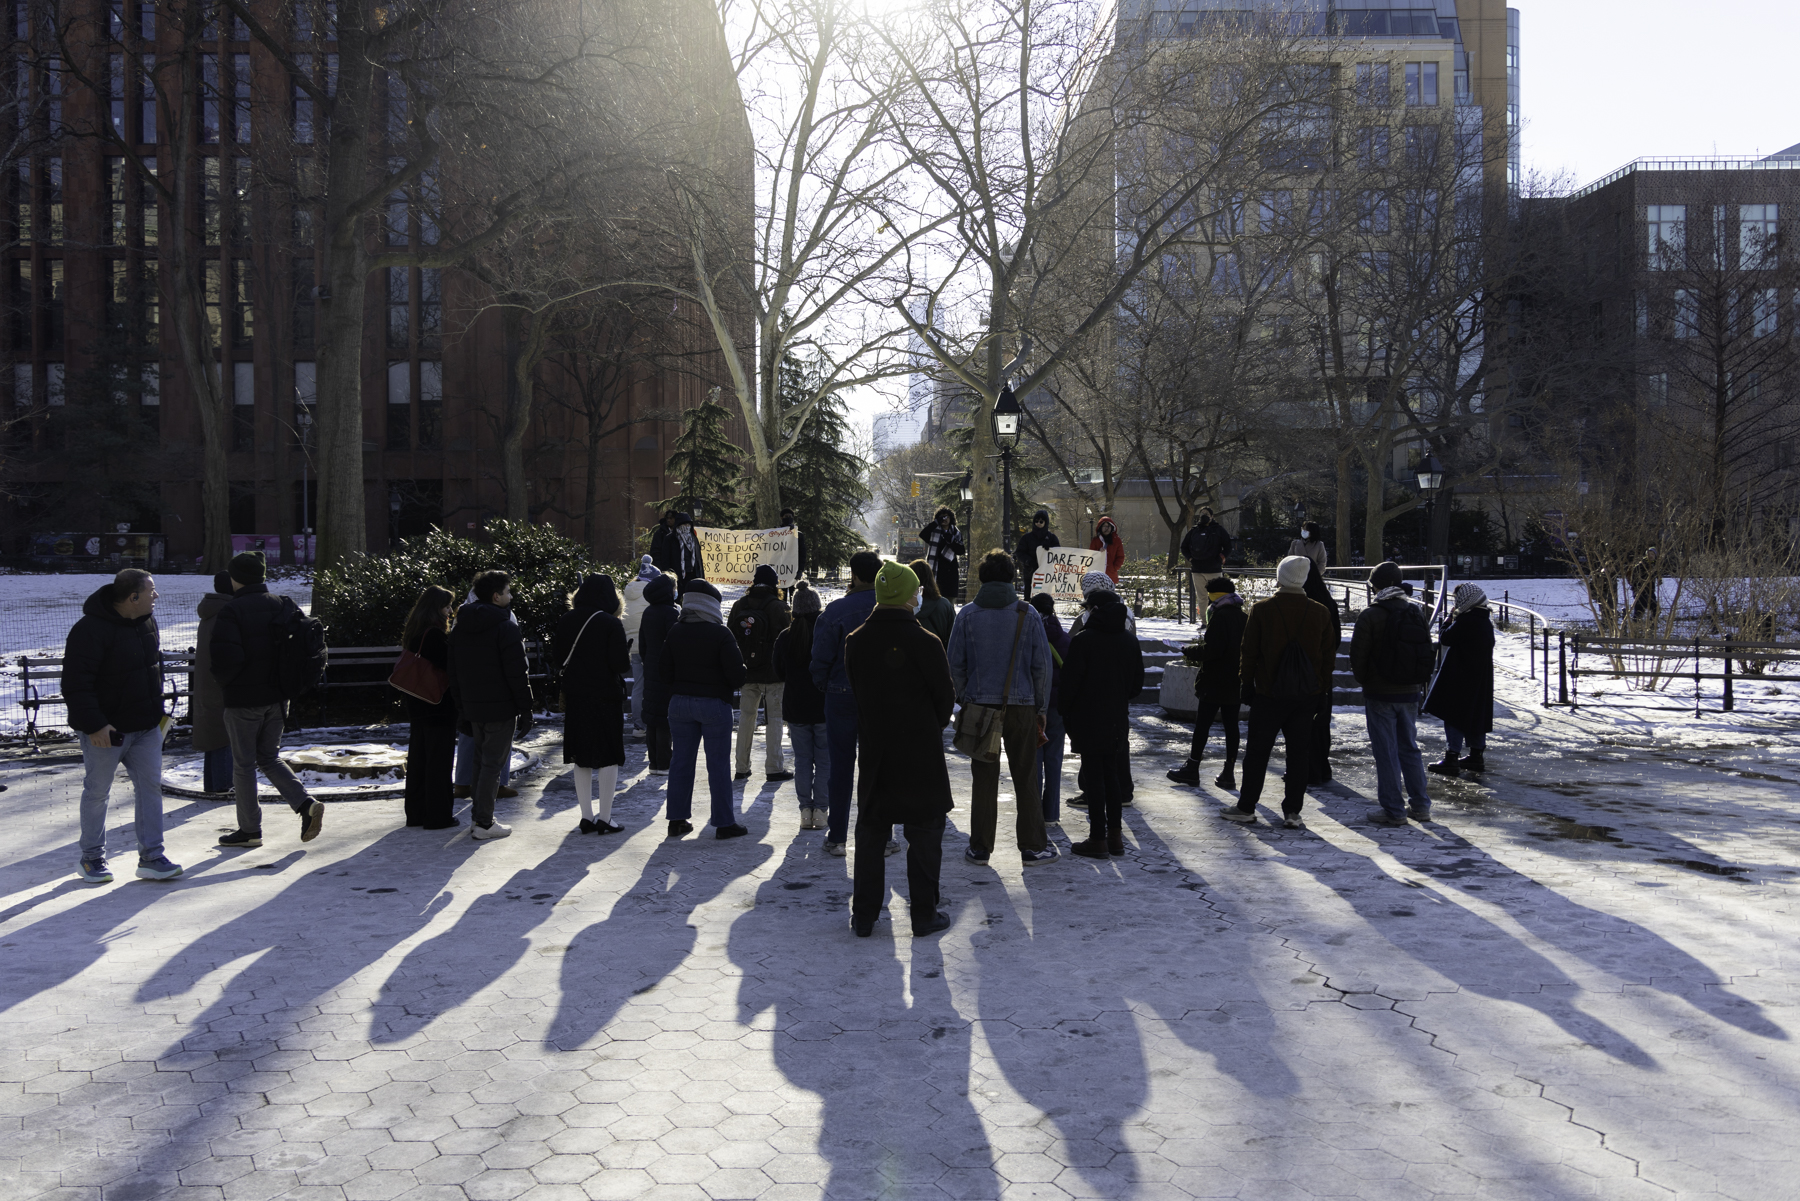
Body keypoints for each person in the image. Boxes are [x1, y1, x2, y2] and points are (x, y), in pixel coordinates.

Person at [844, 562, 956, 938]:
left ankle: (864, 915)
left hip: (877, 751)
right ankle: (924, 914)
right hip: (920, 753)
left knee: (872, 833)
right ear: (911, 596)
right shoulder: (927, 642)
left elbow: (858, 693)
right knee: (925, 835)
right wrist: (923, 726)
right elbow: (945, 700)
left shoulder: (856, 641)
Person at [63, 568, 182, 883]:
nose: (156, 596)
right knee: (98, 792)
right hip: (106, 732)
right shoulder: (89, 630)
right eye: (151, 590)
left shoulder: (147, 622)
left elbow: (151, 672)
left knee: (150, 789)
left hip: (146, 727)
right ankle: (91, 859)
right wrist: (94, 725)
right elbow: (76, 685)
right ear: (133, 597)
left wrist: (158, 718)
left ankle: (152, 857)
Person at [946, 550, 1060, 868]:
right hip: (1023, 707)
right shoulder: (1028, 613)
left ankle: (981, 847)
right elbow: (1041, 667)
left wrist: (968, 696)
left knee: (984, 778)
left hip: (981, 707)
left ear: (982, 578)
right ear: (1012, 578)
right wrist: (1041, 707)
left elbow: (954, 664)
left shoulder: (967, 614)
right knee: (1026, 776)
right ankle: (1033, 846)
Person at [212, 551, 325, 849]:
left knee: (244, 764)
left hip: (244, 701)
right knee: (270, 757)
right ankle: (305, 804)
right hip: (279, 699)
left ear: (235, 578)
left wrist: (226, 685)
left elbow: (225, 660)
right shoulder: (284, 604)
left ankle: (250, 830)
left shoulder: (231, 611)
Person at [1222, 555, 1336, 830]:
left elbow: (1248, 652)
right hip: (1306, 695)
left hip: (1269, 693)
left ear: (1280, 577)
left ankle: (1247, 806)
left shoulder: (1263, 610)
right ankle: (1293, 811)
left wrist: (1246, 685)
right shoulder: (1321, 612)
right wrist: (1321, 692)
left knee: (1258, 752)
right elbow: (1327, 658)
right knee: (1299, 754)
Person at [447, 569, 533, 841]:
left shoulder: (461, 626)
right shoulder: (506, 626)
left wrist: (461, 706)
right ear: (496, 597)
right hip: (500, 707)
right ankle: (483, 822)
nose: (511, 596)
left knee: (479, 761)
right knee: (492, 766)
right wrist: (526, 708)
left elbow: (454, 671)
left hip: (474, 705)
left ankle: (478, 818)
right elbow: (517, 672)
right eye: (508, 592)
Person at [1059, 583, 1144, 858]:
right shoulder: (1129, 640)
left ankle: (1097, 839)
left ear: (1094, 610)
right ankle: (1115, 837)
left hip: (1088, 717)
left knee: (1095, 778)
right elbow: (1137, 686)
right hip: (1117, 718)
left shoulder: (1084, 640)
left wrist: (1066, 711)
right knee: (1113, 776)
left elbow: (1069, 684)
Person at [1350, 561, 1436, 825]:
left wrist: (1368, 683)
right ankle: (1421, 806)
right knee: (1409, 748)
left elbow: (1358, 657)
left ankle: (1393, 810)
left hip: (1380, 694)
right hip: (1410, 692)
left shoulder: (1371, 614)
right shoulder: (1414, 611)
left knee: (1385, 752)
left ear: (1375, 585)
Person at [662, 579, 749, 839]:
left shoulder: (675, 631)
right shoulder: (720, 634)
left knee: (680, 763)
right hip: (713, 705)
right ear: (712, 605)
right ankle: (723, 823)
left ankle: (676, 821)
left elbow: (662, 672)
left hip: (679, 704)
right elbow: (736, 676)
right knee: (718, 765)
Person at [811, 551, 884, 856]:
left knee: (840, 767)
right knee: (877, 766)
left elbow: (819, 659)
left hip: (840, 695)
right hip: (880, 697)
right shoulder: (891, 610)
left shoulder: (836, 611)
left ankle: (837, 836)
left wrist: (825, 685)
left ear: (853, 575)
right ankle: (882, 835)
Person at [556, 574, 631, 834]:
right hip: (605, 696)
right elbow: (620, 664)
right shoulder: (610, 623)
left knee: (581, 756)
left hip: (576, 695)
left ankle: (586, 816)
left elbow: (557, 657)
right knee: (609, 755)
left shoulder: (566, 620)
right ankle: (606, 817)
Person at [1166, 575, 1245, 791]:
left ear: (1214, 597)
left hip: (1215, 681)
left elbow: (1212, 651)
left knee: (1203, 725)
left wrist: (1188, 650)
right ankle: (1228, 772)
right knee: (1231, 726)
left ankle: (1192, 768)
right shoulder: (1242, 615)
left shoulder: (1220, 616)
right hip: (1235, 680)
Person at [400, 585, 459, 830]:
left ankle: (416, 813)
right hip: (437, 706)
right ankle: (438, 815)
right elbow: (450, 665)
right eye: (447, 607)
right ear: (436, 608)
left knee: (418, 760)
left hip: (418, 703)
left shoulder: (415, 631)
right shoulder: (434, 635)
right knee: (438, 761)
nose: (450, 612)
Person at [728, 564, 792, 781]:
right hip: (773, 675)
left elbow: (731, 637)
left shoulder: (739, 605)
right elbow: (788, 641)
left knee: (746, 718)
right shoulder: (779, 607)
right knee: (774, 718)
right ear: (775, 584)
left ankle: (741, 767)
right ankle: (774, 768)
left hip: (747, 672)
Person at [1425, 583, 1495, 778]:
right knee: (1476, 714)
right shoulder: (1485, 621)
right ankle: (1476, 754)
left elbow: (1445, 638)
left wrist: (1448, 620)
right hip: (1480, 678)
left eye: (1457, 600)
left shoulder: (1466, 620)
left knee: (1453, 714)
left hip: (1460, 677)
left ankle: (1452, 756)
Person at [775, 582, 829, 830]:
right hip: (823, 708)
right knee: (825, 761)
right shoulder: (825, 635)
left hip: (795, 708)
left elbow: (778, 671)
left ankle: (805, 810)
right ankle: (821, 810)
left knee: (803, 760)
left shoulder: (785, 637)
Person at [1028, 592, 1071, 826]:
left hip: (1033, 707)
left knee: (1034, 760)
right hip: (1057, 708)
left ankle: (1034, 811)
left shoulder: (1028, 637)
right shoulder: (1064, 640)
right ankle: (1052, 814)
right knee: (1054, 760)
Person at [191, 572, 234, 795]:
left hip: (208, 684)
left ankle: (214, 785)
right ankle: (223, 786)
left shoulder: (210, 612)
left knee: (213, 736)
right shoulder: (226, 614)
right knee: (224, 735)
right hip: (221, 685)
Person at [1302, 560, 1343, 784]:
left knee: (1303, 725)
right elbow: (1334, 640)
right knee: (1321, 723)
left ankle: (1307, 768)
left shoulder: (1304, 604)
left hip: (1302, 673)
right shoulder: (1328, 602)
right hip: (1322, 672)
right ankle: (1322, 767)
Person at [638, 571, 681, 773]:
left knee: (652, 716)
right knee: (664, 717)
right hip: (666, 671)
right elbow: (675, 643)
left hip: (651, 668)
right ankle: (664, 762)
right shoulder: (670, 613)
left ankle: (654, 761)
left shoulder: (648, 612)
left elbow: (643, 644)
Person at [623, 554, 658, 734]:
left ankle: (638, 725)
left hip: (632, 645)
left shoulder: (628, 592)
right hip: (649, 644)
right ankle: (652, 722)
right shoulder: (651, 594)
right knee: (653, 685)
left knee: (638, 685)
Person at [1181, 509, 1235, 616]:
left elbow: (1228, 547)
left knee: (1217, 596)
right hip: (1197, 570)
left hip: (1213, 569)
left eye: (1206, 514)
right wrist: (1190, 559)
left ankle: (1216, 619)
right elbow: (1184, 547)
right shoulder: (1194, 531)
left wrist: (1220, 559)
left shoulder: (1218, 530)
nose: (1203, 516)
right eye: (1201, 514)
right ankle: (1204, 621)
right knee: (1202, 597)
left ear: (1212, 516)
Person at [919, 509, 965, 602]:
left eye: (947, 516)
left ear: (951, 518)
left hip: (950, 571)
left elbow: (961, 550)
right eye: (942, 516)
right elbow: (923, 534)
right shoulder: (933, 532)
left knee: (949, 600)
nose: (945, 519)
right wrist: (936, 523)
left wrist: (951, 540)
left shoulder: (955, 533)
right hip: (936, 570)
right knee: (934, 597)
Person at [911, 557, 956, 647]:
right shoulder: (944, 605)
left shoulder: (905, 606)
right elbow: (954, 637)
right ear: (931, 578)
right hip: (939, 656)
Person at [1014, 510, 1059, 586]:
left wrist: (1050, 549)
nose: (1038, 523)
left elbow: (1058, 553)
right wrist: (1029, 561)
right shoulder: (1026, 538)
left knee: (1043, 593)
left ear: (1045, 522)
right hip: (1030, 571)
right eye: (1036, 521)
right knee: (1031, 593)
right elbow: (1019, 552)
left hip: (1046, 573)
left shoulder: (1052, 538)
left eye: (1041, 522)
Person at [1088, 515, 1125, 584]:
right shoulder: (1095, 541)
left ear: (1112, 527)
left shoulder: (1116, 540)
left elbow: (1120, 556)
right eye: (1104, 526)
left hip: (1111, 576)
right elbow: (1090, 555)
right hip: (1097, 576)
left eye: (1108, 526)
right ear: (1100, 527)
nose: (1106, 528)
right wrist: (1098, 552)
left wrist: (1114, 568)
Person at [649, 511, 681, 578]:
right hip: (664, 568)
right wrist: (659, 567)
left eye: (671, 518)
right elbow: (655, 551)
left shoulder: (681, 533)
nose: (669, 520)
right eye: (667, 518)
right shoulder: (660, 533)